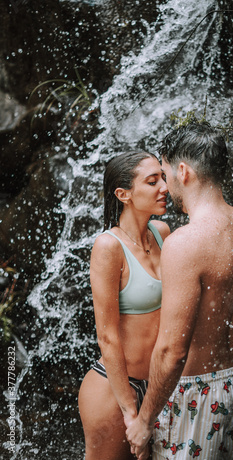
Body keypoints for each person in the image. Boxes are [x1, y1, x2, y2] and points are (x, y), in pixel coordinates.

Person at [126, 120, 233, 460]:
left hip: (195, 394)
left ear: (184, 171)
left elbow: (172, 350)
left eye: (165, 172)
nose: (165, 184)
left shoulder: (185, 243)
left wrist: (144, 421)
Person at [78, 151, 170, 460]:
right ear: (124, 194)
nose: (164, 188)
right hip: (114, 390)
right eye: (152, 181)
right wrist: (131, 411)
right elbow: (107, 336)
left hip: (158, 389)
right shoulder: (109, 247)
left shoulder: (163, 233)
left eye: (164, 178)